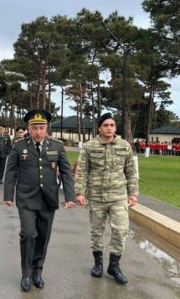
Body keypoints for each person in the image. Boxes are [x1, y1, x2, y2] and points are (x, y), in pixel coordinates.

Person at [3, 110, 76, 292]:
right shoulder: (19, 146)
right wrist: (8, 195)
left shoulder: (57, 146)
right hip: (26, 198)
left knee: (43, 238)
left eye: (42, 128)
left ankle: (37, 271)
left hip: (48, 199)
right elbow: (11, 171)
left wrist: (70, 196)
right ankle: (26, 273)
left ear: (46, 128)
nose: (38, 132)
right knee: (28, 234)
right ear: (28, 128)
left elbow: (66, 172)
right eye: (34, 128)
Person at [75, 112, 138, 285]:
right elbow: (82, 171)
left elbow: (131, 171)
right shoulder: (89, 146)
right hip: (96, 197)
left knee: (120, 231)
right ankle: (98, 264)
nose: (109, 128)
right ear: (99, 128)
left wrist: (133, 193)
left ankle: (114, 266)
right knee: (97, 231)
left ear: (115, 128)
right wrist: (79, 192)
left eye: (112, 125)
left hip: (118, 196)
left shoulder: (124, 146)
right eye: (106, 125)